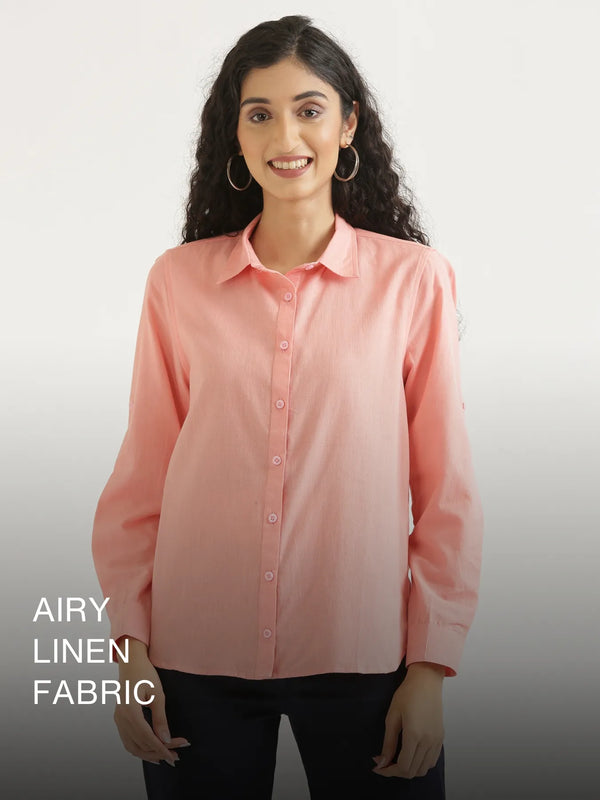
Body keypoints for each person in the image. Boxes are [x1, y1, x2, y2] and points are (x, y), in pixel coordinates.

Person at [91, 14, 483, 800]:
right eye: (259, 113)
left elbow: (446, 492)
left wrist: (430, 669)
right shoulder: (177, 281)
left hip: (365, 656)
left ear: (348, 124)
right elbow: (141, 482)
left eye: (309, 109)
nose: (285, 135)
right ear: (234, 134)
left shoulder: (415, 281)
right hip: (193, 658)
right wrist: (130, 651)